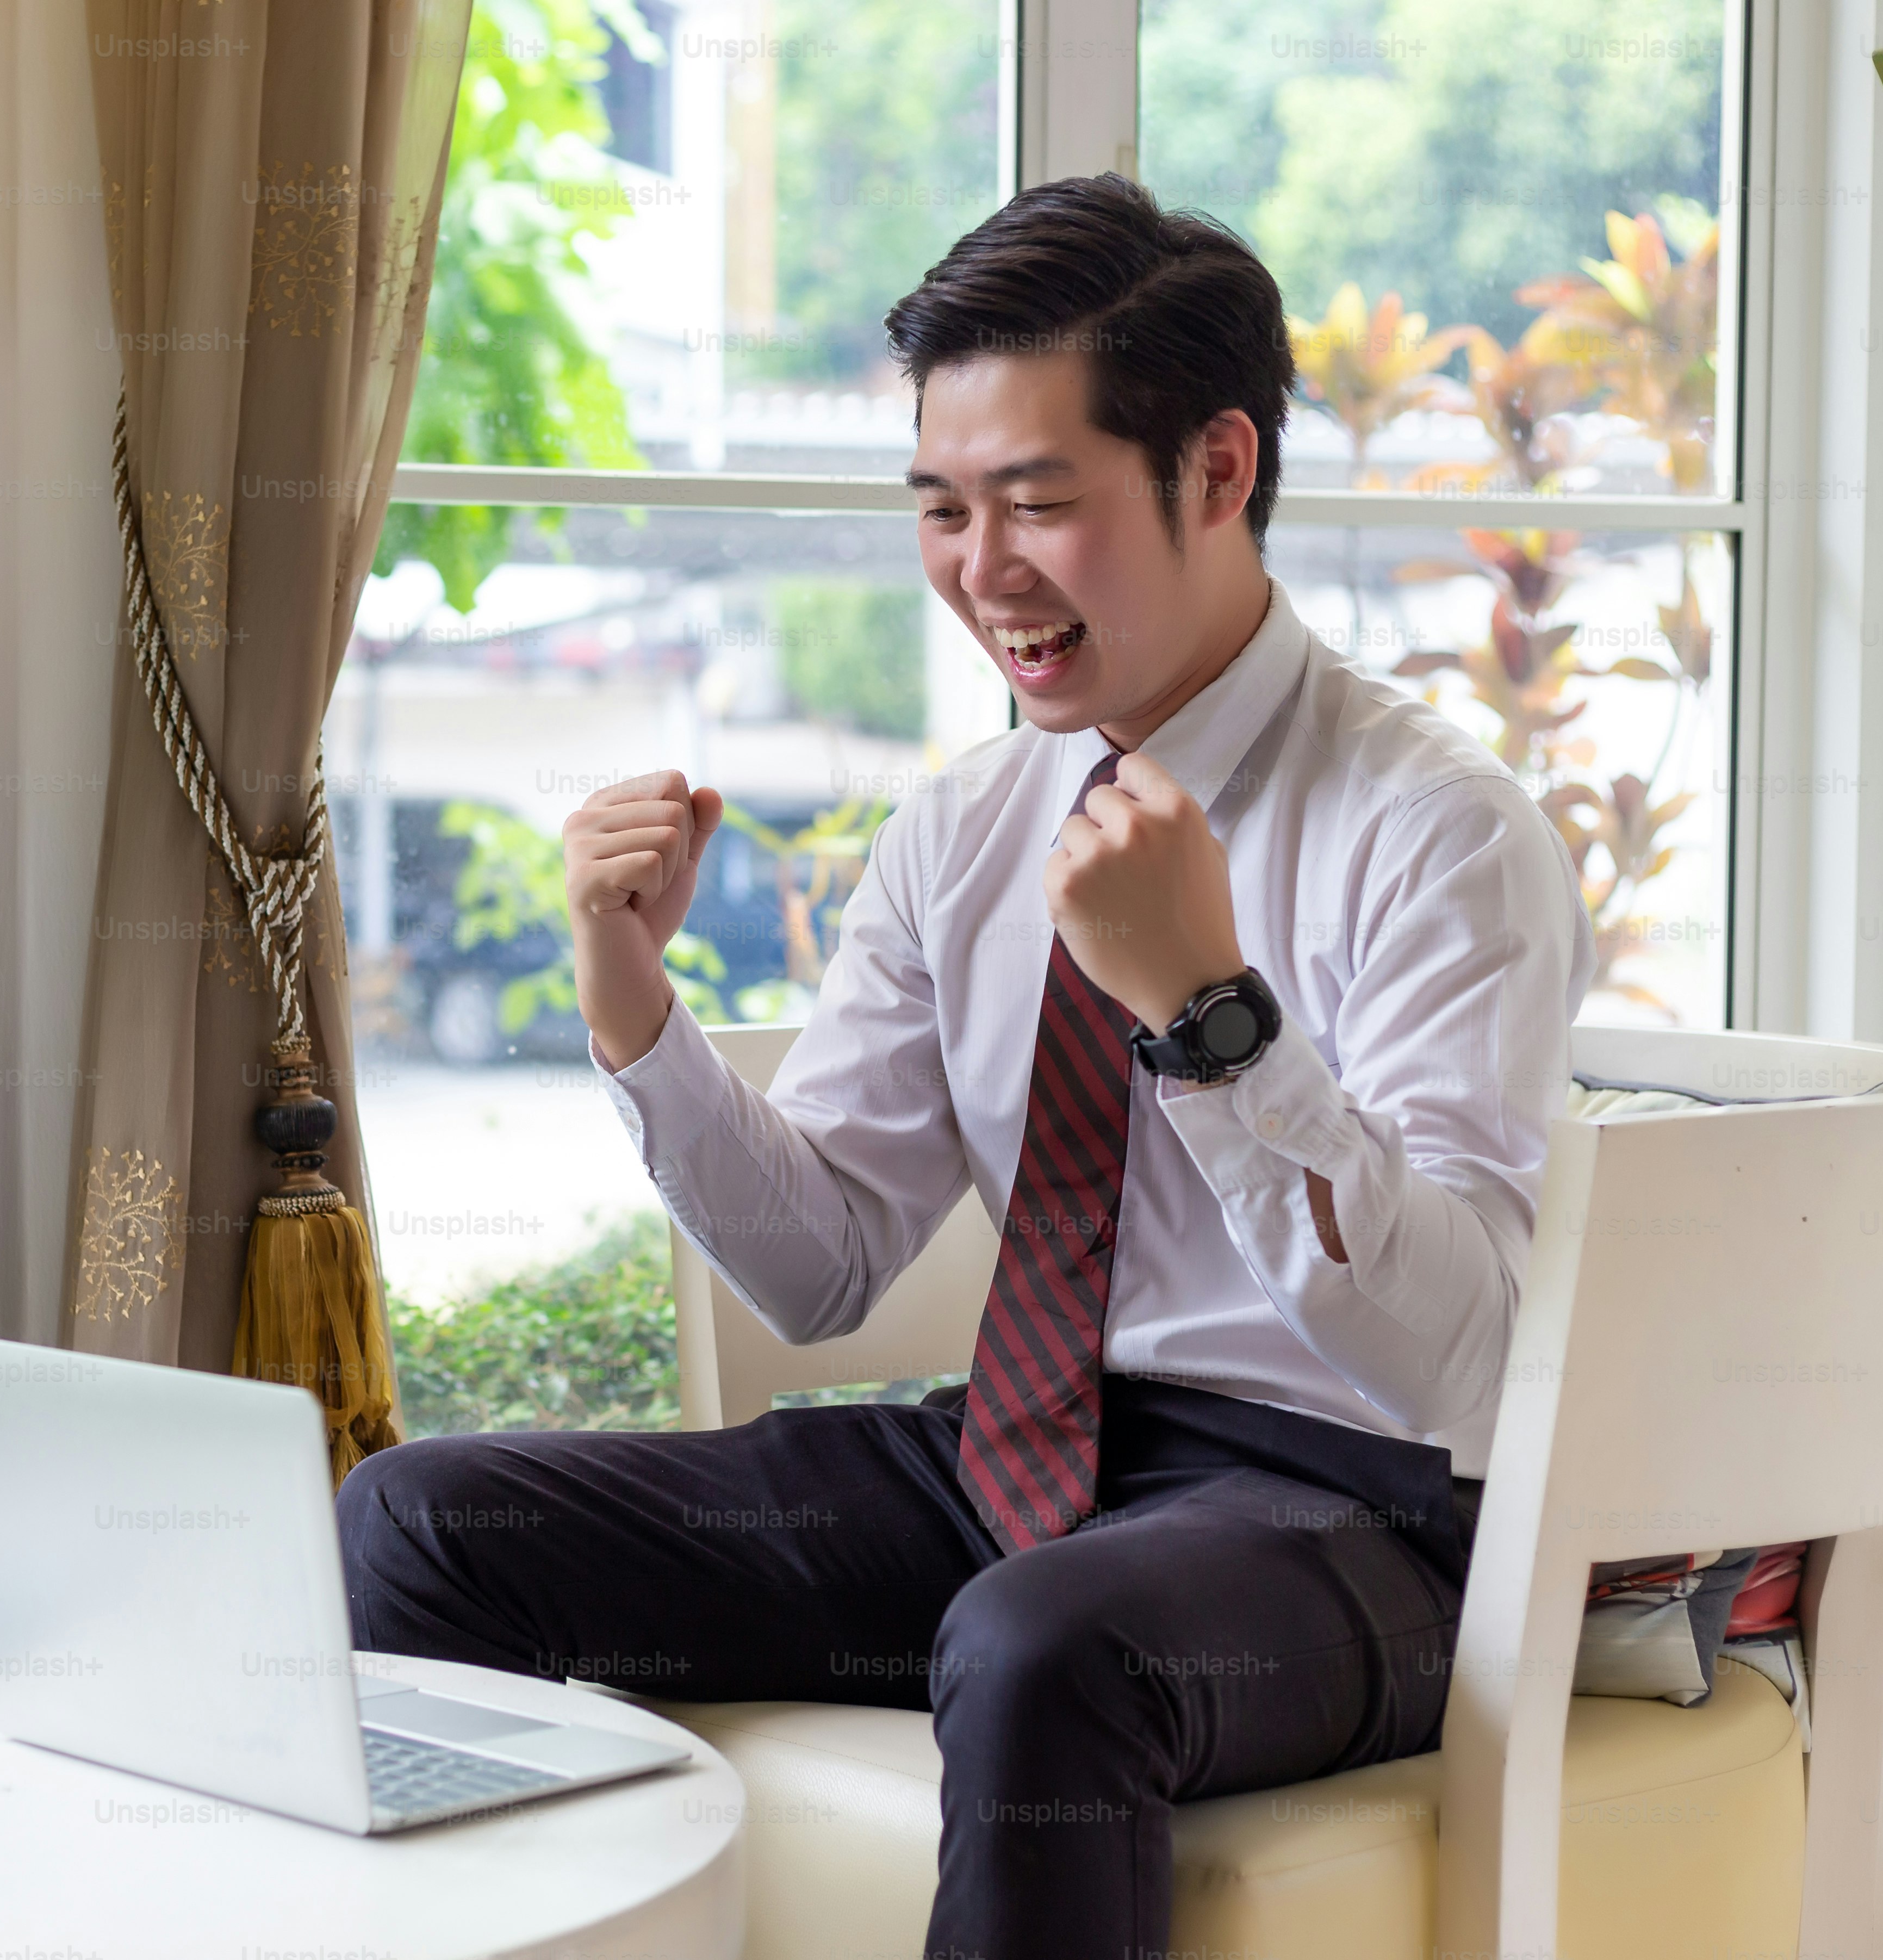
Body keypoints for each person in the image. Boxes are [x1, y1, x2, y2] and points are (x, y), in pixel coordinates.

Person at [337, 173, 1595, 1960]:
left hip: (1361, 1514)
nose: (981, 572)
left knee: (1042, 1637)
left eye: (1038, 504)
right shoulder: (966, 829)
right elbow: (824, 1261)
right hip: (1027, 1464)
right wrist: (636, 1007)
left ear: (1220, 472)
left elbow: (1459, 1349)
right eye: (940, 509)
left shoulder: (1440, 832)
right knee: (420, 1520)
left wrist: (1212, 1015)